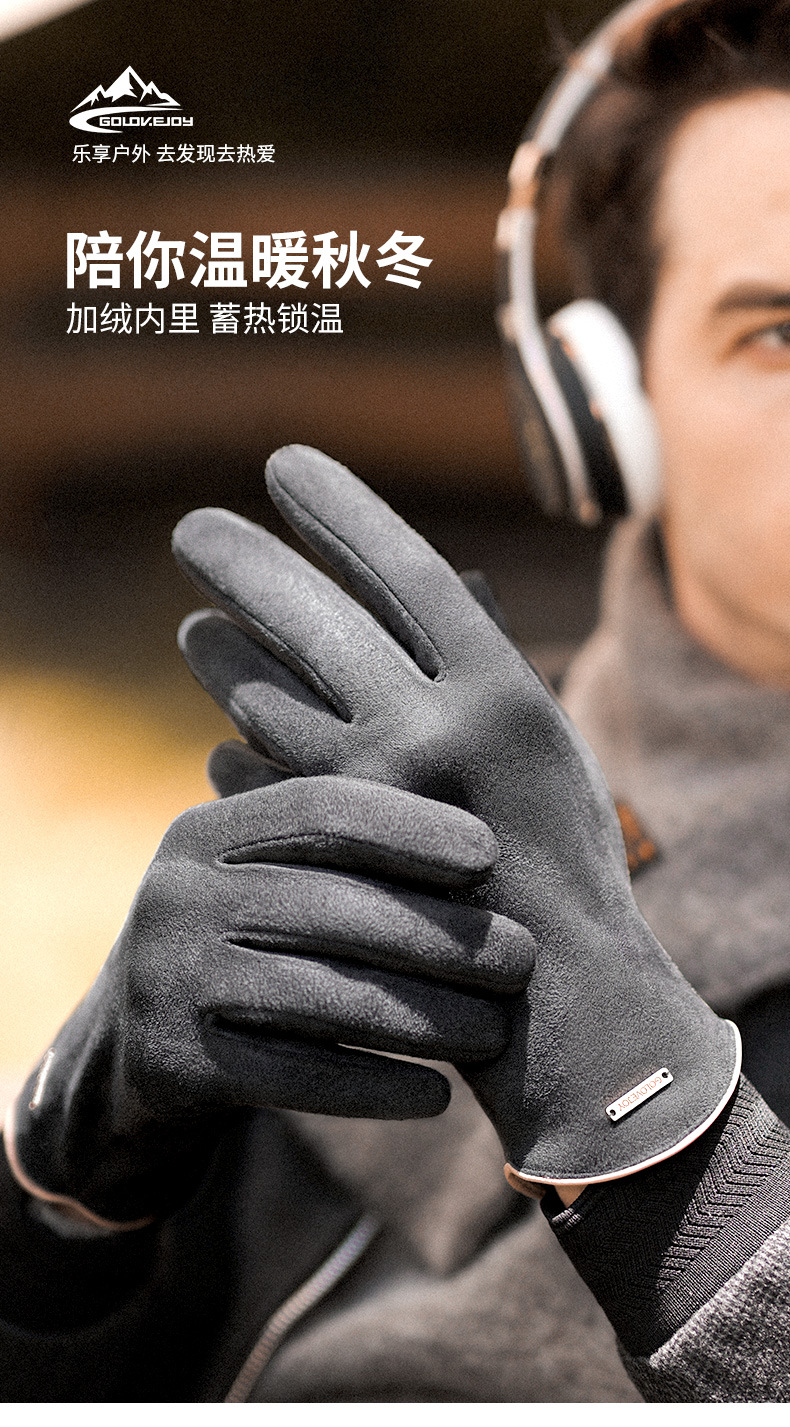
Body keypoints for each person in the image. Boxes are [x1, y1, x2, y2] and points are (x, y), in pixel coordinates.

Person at [3, 0, 790, 1404]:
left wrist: (673, 1153)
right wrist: (70, 1208)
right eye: (781, 331)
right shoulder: (421, 771)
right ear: (601, 402)